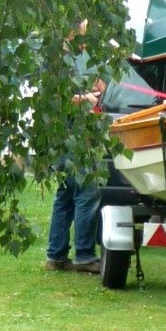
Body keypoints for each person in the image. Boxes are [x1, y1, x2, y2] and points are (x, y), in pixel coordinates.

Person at [45, 19, 105, 274]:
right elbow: (57, 98)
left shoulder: (65, 59)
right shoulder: (58, 61)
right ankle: (84, 256)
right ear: (71, 32)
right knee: (87, 192)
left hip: (61, 137)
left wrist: (93, 87)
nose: (86, 41)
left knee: (66, 195)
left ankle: (56, 256)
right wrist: (87, 99)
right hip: (70, 136)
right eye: (83, 34)